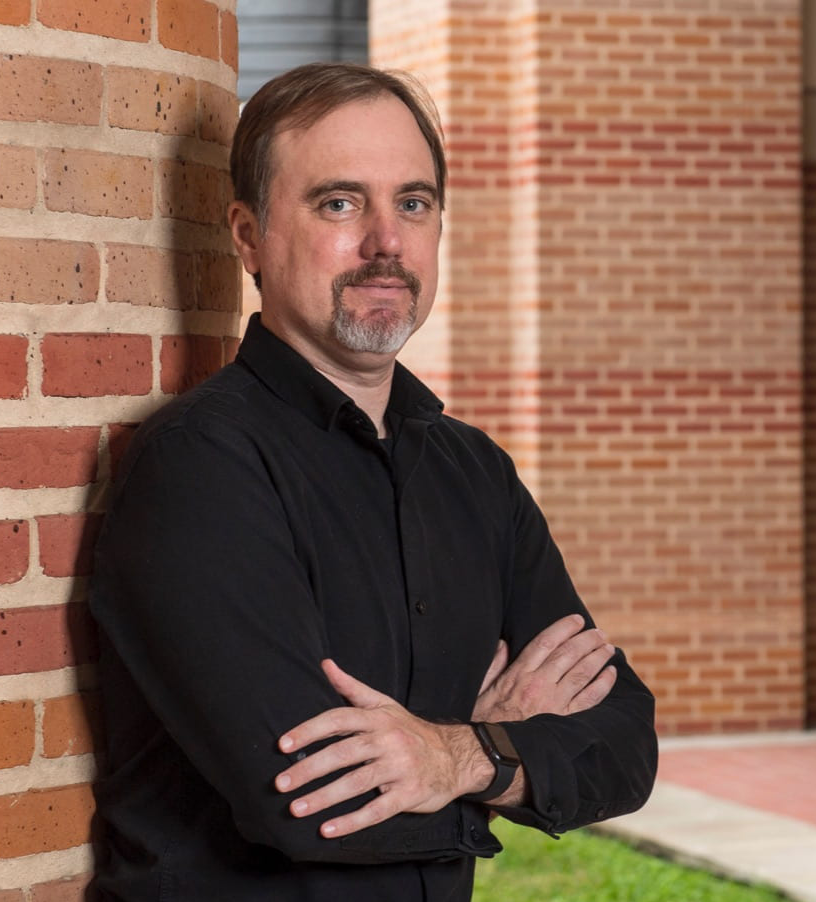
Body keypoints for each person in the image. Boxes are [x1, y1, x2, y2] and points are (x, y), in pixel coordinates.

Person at [86, 62, 658, 901]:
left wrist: (456, 756)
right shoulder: (202, 465)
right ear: (247, 236)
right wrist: (503, 748)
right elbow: (318, 801)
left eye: (413, 203)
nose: (386, 241)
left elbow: (623, 746)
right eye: (339, 203)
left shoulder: (474, 473)